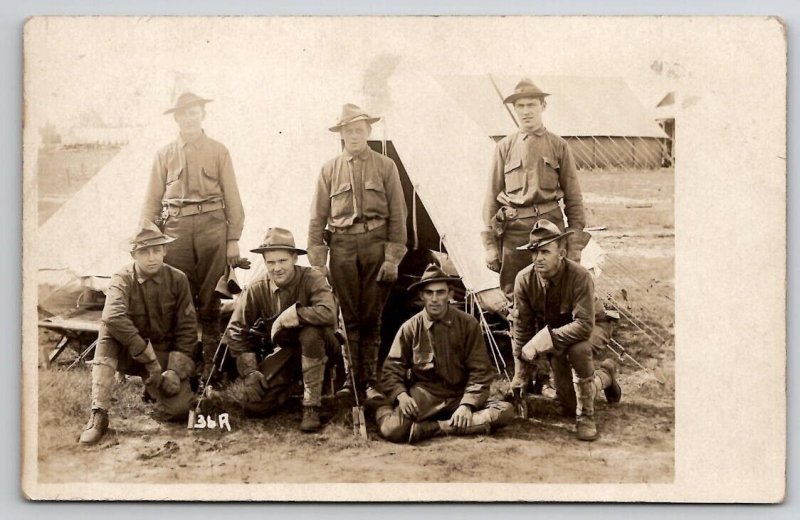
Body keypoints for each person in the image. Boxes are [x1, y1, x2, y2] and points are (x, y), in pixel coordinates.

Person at [141, 92, 246, 383]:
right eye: (183, 113)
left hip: (213, 229)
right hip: (175, 231)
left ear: (203, 114)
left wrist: (232, 238)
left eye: (194, 111)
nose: (189, 117)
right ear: (175, 118)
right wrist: (148, 239)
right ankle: (179, 371)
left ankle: (210, 373)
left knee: (211, 301)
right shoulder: (164, 154)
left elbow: (233, 198)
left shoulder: (218, 151)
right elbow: (151, 201)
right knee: (178, 299)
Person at [307, 103, 408, 402]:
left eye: (359, 129)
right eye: (348, 130)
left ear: (368, 131)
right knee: (347, 317)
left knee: (371, 316)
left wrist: (392, 258)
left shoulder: (386, 166)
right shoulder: (329, 169)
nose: (354, 135)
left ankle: (371, 381)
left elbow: (398, 215)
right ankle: (350, 380)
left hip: (376, 245)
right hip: (342, 247)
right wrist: (317, 263)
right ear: (341, 134)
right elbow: (317, 217)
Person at [79, 220, 197, 445]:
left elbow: (187, 328)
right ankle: (98, 414)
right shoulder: (121, 278)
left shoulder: (178, 280)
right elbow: (113, 317)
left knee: (180, 411)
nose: (151, 257)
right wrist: (147, 356)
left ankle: (151, 389)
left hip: (160, 353)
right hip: (127, 352)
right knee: (108, 330)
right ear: (134, 255)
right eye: (144, 252)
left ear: (164, 250)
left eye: (156, 250)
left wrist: (174, 370)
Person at [375, 265, 514, 444]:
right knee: (392, 430)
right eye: (429, 293)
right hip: (426, 394)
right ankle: (380, 408)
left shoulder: (468, 324)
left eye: (440, 292)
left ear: (449, 294)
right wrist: (402, 396)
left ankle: (432, 428)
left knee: (504, 411)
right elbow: (391, 369)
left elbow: (480, 371)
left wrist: (467, 405)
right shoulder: (410, 328)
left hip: (460, 394)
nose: (434, 299)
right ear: (421, 296)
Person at [512, 219, 622, 441]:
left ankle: (587, 416)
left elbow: (583, 326)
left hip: (592, 326)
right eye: (534, 253)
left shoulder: (580, 276)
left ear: (561, 253)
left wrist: (543, 341)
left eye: (545, 252)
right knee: (569, 404)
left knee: (578, 350)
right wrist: (520, 374)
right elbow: (521, 328)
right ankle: (606, 376)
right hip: (557, 335)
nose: (538, 258)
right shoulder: (524, 280)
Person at [482, 78, 588, 298]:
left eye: (531, 105)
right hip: (515, 231)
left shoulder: (559, 145)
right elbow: (491, 198)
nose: (525, 111)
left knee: (556, 291)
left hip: (551, 229)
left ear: (543, 106)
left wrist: (575, 241)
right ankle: (520, 332)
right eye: (519, 106)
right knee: (515, 294)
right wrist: (491, 245)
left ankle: (553, 334)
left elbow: (573, 196)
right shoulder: (504, 147)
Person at [224, 227, 338, 432]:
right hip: (286, 352)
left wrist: (293, 315)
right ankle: (293, 386)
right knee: (254, 406)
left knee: (310, 332)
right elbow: (235, 329)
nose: (277, 268)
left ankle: (311, 406)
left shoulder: (312, 278)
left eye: (282, 261)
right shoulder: (258, 287)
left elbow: (328, 312)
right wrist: (249, 371)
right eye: (271, 262)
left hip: (323, 347)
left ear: (294, 258)